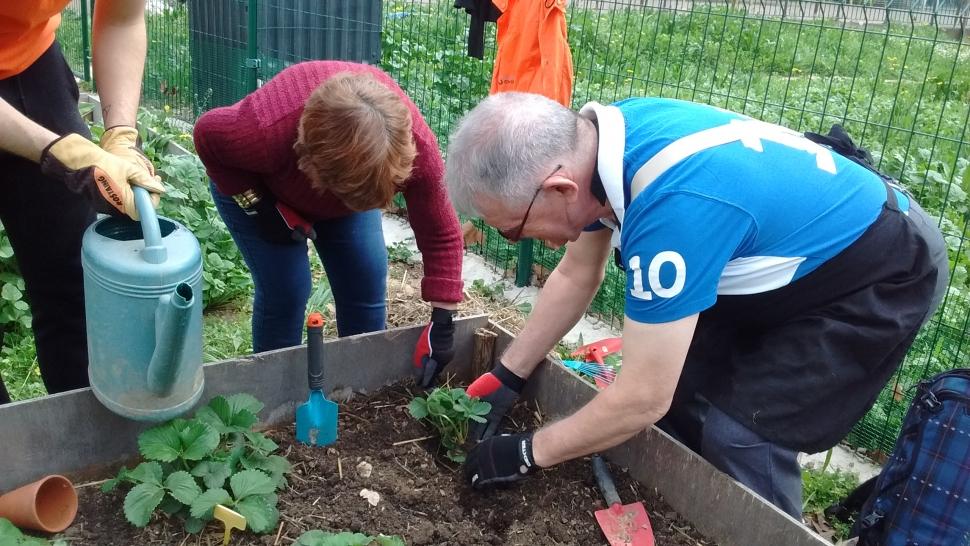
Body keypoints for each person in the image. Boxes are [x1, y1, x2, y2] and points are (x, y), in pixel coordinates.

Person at [445, 92, 948, 518]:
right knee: (683, 396)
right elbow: (578, 273)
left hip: (878, 268)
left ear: (559, 187)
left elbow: (642, 398)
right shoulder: (597, 147)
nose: (516, 240)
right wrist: (510, 372)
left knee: (744, 432)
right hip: (777, 246)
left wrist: (530, 452)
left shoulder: (672, 211)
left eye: (514, 228)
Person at [193, 61, 464, 387]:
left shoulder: (414, 149)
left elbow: (441, 233)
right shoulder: (259, 132)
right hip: (258, 188)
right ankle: (276, 394)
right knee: (287, 289)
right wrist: (261, 207)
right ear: (307, 158)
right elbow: (206, 136)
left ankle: (363, 389)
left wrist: (443, 322)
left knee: (364, 277)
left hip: (350, 181)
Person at [0, 1, 165, 404]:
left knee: (73, 279)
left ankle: (82, 442)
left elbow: (122, 17)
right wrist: (59, 152)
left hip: (30, 62)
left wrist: (121, 135)